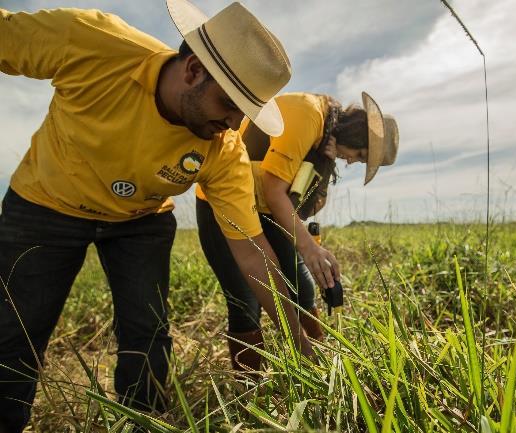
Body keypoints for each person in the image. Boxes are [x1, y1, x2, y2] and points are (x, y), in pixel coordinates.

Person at [0, 1, 315, 431]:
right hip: (44, 204)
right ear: (192, 71)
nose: (234, 122)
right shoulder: (93, 42)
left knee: (148, 334)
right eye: (228, 103)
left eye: (246, 111)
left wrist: (300, 344)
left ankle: (141, 420)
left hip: (141, 221)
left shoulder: (224, 149)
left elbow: (252, 253)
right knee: (14, 333)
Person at [195, 92, 399, 371]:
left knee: (302, 287)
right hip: (223, 203)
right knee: (246, 301)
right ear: (356, 132)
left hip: (267, 210)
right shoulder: (309, 114)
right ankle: (250, 389)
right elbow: (274, 189)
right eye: (360, 155)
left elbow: (303, 208)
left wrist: (324, 168)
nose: (351, 161)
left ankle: (318, 366)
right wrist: (308, 246)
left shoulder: (323, 143)